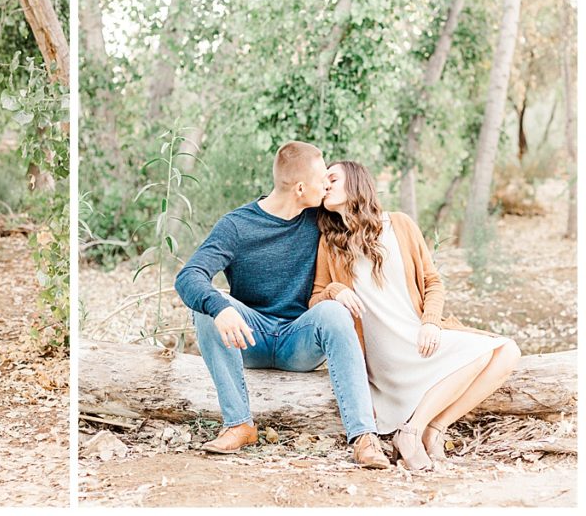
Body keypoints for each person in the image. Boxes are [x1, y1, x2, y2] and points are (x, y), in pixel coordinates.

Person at [174, 141, 390, 468]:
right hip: (251, 337)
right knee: (207, 307)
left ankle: (364, 437)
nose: (327, 188)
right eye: (322, 182)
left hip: (297, 340)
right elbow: (189, 275)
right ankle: (239, 424)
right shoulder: (237, 226)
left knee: (333, 311)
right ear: (301, 188)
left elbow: (362, 214)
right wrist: (220, 307)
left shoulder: (319, 216)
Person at [310, 160, 520, 470]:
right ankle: (411, 432)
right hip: (384, 356)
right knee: (478, 355)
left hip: (418, 338)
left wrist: (431, 322)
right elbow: (316, 301)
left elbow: (433, 282)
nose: (325, 184)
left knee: (509, 352)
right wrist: (335, 291)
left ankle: (431, 429)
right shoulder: (330, 243)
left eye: (333, 178)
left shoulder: (401, 225)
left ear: (356, 183)